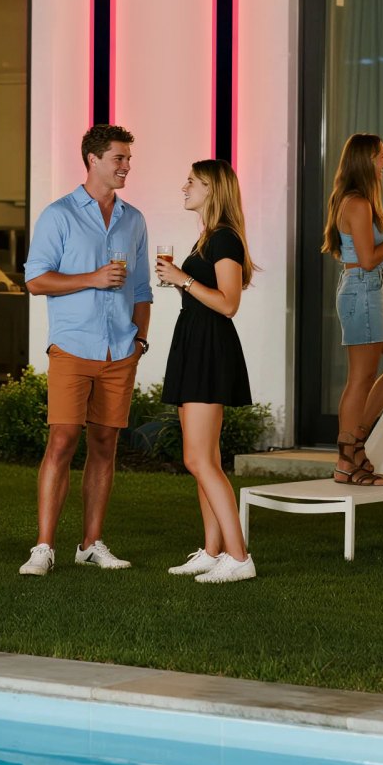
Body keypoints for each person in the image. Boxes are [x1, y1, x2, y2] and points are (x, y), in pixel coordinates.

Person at [19, 124, 152, 576]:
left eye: (128, 159)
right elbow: (36, 280)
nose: (127, 166)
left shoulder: (134, 219)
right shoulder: (59, 215)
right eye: (119, 158)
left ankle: (91, 544)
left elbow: (141, 289)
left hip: (120, 350)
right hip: (73, 346)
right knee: (61, 440)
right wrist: (92, 278)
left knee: (105, 445)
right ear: (93, 159)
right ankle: (43, 547)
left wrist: (139, 340)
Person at [155, 159, 257, 583]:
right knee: (204, 458)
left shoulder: (225, 238)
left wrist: (183, 279)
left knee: (198, 459)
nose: (184, 187)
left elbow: (229, 304)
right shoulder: (208, 237)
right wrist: (182, 280)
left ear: (212, 189)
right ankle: (213, 551)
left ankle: (239, 556)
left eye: (192, 182)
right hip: (194, 341)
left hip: (209, 347)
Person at [321, 133, 383, 486]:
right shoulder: (357, 203)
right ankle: (347, 459)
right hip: (363, 289)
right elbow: (367, 260)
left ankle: (357, 438)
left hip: (376, 291)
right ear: (366, 160)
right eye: (381, 156)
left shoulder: (358, 201)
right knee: (360, 378)